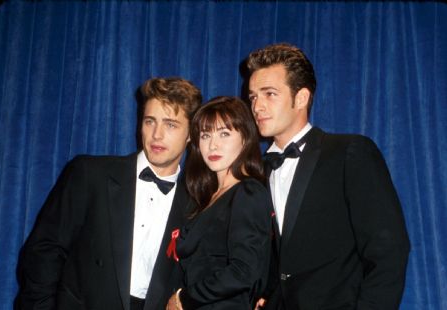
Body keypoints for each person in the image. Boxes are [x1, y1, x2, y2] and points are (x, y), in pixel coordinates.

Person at [246, 43, 410, 310]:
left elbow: (389, 251)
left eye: (269, 94)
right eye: (253, 97)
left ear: (301, 98)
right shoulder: (258, 171)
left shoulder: (349, 153)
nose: (257, 106)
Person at [16, 77, 202, 310]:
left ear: (191, 134)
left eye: (171, 125)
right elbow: (43, 253)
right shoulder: (90, 174)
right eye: (150, 121)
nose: (157, 134)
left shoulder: (196, 203)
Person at [166, 96, 273, 310]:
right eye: (205, 135)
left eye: (224, 134)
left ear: (245, 138)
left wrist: (184, 299)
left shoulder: (248, 192)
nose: (213, 145)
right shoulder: (204, 197)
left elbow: (244, 271)